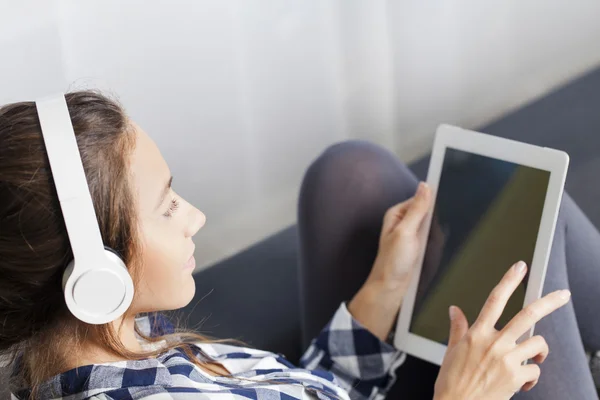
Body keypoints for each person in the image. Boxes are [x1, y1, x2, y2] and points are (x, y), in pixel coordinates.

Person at [0, 91, 590, 400]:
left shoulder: (116, 340)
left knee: (348, 172)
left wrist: (384, 288)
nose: (196, 217)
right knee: (544, 215)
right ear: (95, 276)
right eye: (167, 205)